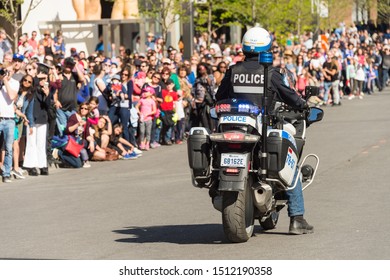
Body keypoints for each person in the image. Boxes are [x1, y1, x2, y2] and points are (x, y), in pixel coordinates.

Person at [216, 27, 313, 235]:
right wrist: (304, 105)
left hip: (232, 128)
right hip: (262, 130)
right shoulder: (272, 73)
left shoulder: (233, 71)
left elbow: (219, 96)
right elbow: (291, 97)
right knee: (292, 166)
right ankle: (297, 218)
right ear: (267, 48)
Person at [0, 62, 20, 183]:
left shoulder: (15, 83)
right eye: (5, 70)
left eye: (9, 71)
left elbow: (12, 96)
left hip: (9, 120)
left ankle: (6, 173)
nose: (7, 73)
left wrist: (6, 81)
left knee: (8, 148)